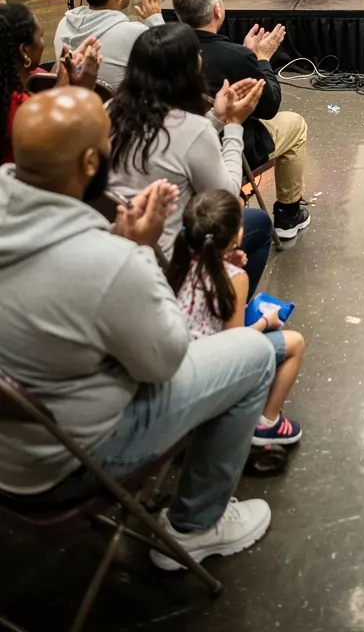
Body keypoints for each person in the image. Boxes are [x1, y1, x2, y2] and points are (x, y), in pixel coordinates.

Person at [0, 88, 277, 567]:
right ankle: (196, 524)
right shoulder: (110, 261)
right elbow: (164, 360)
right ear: (91, 161)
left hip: (13, 440)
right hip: (67, 463)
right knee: (253, 355)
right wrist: (140, 252)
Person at [107, 23, 273, 283]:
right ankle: (219, 313)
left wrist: (217, 119)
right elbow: (226, 199)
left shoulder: (109, 111)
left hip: (115, 250)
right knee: (258, 222)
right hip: (168, 262)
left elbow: (173, 143)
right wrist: (233, 126)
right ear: (188, 73)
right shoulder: (191, 129)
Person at [172, 0, 309, 237]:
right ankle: (288, 215)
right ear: (217, 10)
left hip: (178, 145)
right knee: (295, 125)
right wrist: (262, 59)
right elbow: (269, 107)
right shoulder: (236, 58)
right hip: (231, 146)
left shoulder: (165, 50)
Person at [168, 189, 305, 448]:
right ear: (237, 235)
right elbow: (236, 343)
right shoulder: (234, 278)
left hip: (181, 364)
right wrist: (268, 321)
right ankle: (267, 423)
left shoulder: (180, 262)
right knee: (295, 343)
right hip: (207, 374)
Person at [0, 3, 100, 164]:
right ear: (24, 51)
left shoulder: (9, 96)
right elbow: (72, 147)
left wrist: (62, 79)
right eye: (40, 36)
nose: (42, 43)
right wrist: (85, 89)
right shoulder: (22, 110)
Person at [53, 0, 165, 91]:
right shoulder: (135, 34)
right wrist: (156, 23)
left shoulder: (64, 22)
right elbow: (172, 68)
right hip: (116, 110)